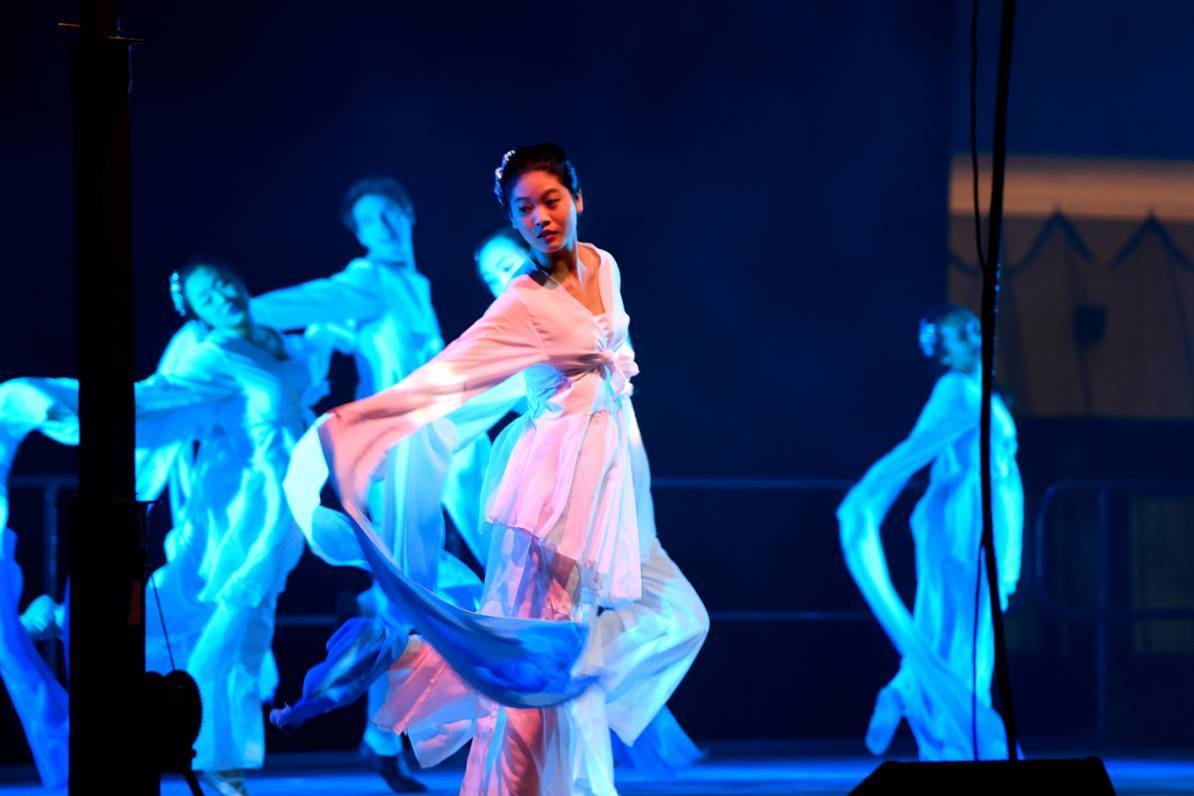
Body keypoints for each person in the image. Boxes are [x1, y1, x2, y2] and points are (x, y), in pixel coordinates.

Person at [285, 144, 708, 794]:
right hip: (548, 500)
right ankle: (443, 677)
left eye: (551, 200)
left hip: (615, 495)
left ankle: (415, 656)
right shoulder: (521, 304)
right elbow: (439, 382)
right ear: (512, 219)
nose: (539, 217)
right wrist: (353, 430)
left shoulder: (604, 266)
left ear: (577, 199)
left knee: (676, 617)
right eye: (523, 208)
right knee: (540, 665)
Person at [0, 258, 332, 795]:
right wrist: (60, 408)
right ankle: (220, 762)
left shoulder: (277, 336)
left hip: (283, 498)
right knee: (234, 617)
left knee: (236, 619)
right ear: (197, 314)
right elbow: (154, 398)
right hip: (237, 503)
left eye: (224, 280)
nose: (223, 292)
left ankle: (72, 621)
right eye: (206, 295)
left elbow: (306, 365)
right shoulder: (213, 355)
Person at [251, 178, 492, 791]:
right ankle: (383, 732)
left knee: (417, 602)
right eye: (368, 222)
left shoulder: (415, 285)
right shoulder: (368, 280)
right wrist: (238, 315)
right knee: (417, 598)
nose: (381, 228)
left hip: (432, 461)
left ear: (407, 215)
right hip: (391, 465)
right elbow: (301, 305)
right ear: (358, 235)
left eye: (388, 215)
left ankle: (383, 737)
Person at [837, 304, 1023, 761]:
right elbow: (915, 450)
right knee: (967, 626)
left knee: (959, 625)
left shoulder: (980, 391)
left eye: (970, 331)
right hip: (966, 518)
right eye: (957, 336)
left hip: (987, 511)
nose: (974, 338)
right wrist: (867, 498)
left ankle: (907, 693)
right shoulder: (957, 391)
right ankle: (963, 734)